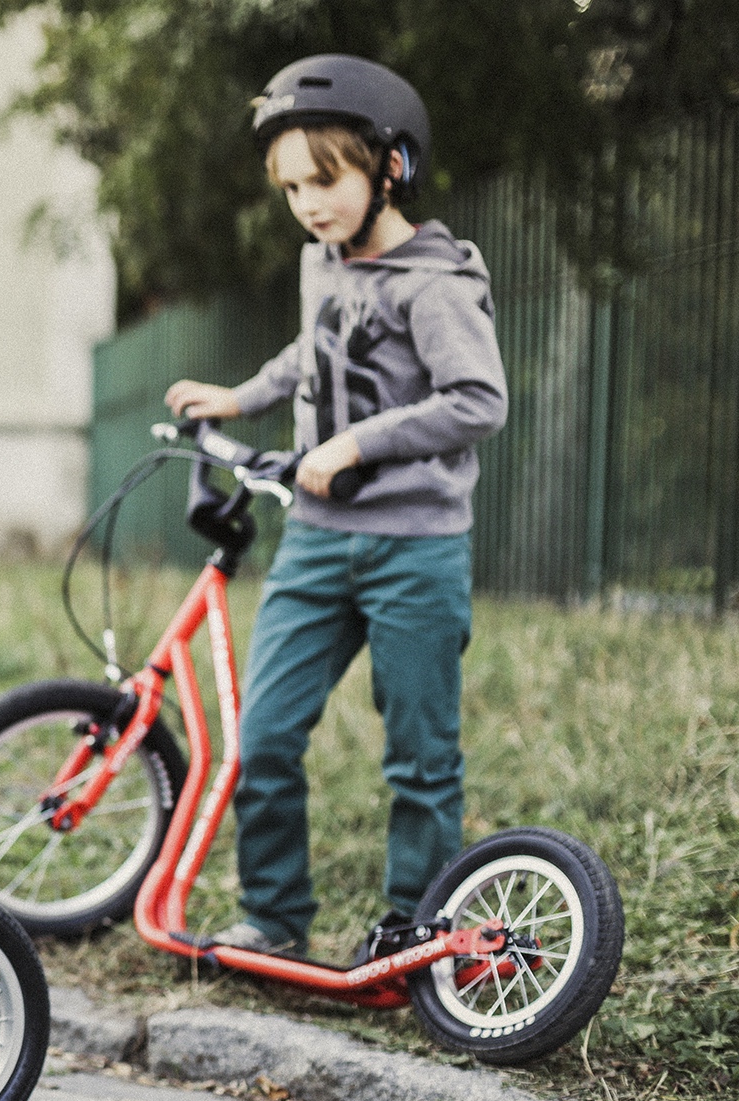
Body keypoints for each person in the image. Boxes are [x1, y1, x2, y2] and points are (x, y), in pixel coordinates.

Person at [163, 54, 507, 961]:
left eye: (327, 179)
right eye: (291, 188)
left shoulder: (437, 282)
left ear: (388, 167)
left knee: (420, 758)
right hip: (317, 544)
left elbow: (478, 400)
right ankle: (275, 917)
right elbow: (315, 353)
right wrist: (240, 396)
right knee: (264, 735)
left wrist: (357, 443)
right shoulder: (325, 264)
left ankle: (414, 927)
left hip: (415, 548)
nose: (309, 204)